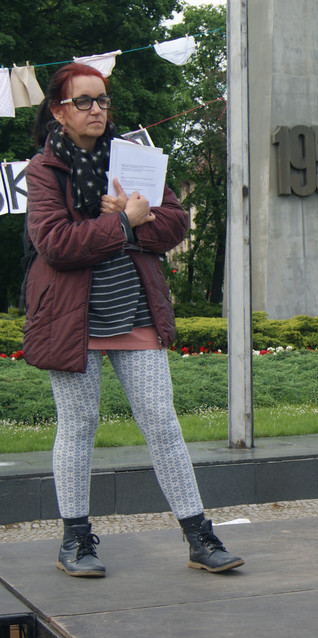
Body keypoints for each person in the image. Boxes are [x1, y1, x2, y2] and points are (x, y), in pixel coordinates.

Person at [23, 63, 243, 576]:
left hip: (135, 314)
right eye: (84, 101)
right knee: (77, 427)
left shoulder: (135, 157)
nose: (97, 109)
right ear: (59, 110)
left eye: (102, 100)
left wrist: (134, 217)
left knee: (163, 424)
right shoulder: (44, 170)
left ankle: (199, 538)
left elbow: (174, 222)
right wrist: (123, 220)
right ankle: (75, 541)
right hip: (70, 322)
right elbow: (55, 243)